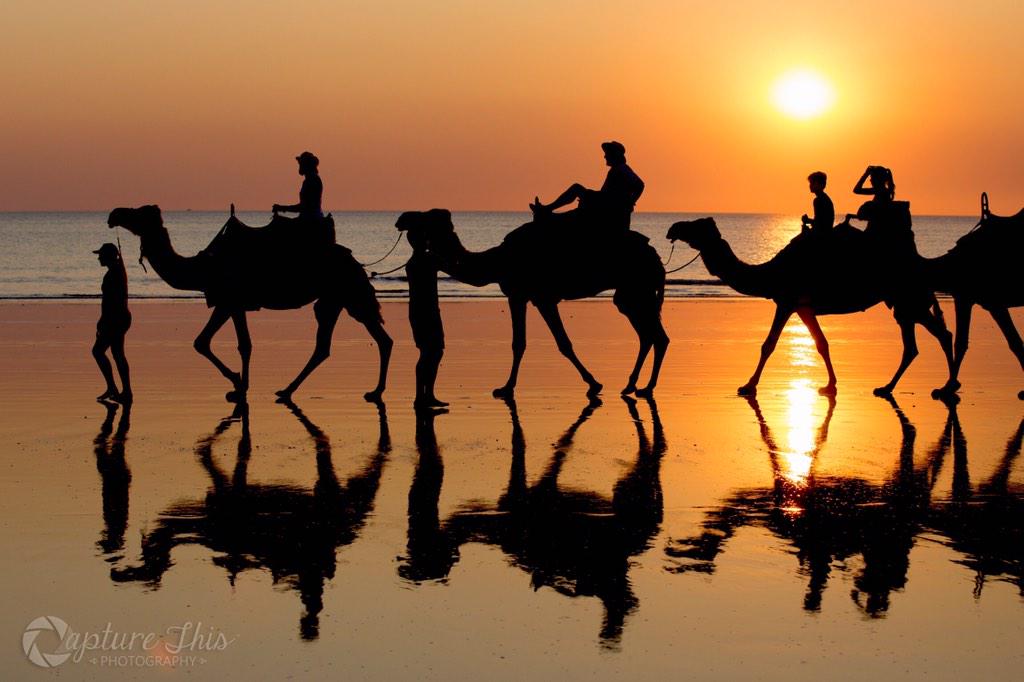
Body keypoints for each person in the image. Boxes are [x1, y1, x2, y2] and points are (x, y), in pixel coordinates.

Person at [530, 141, 644, 232]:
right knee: (578, 207)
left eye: (607, 153)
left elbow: (640, 185)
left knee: (576, 188)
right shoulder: (617, 169)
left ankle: (546, 211)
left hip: (607, 207)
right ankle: (546, 212)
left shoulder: (622, 169)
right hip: (605, 202)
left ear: (614, 155)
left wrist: (630, 202)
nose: (605, 156)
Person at [405, 228, 448, 411]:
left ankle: (424, 396)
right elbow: (452, 266)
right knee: (432, 353)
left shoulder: (413, 262)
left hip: (418, 311)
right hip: (427, 312)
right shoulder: (429, 259)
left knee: (429, 353)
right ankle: (423, 396)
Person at [92, 243, 132, 404]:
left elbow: (111, 302)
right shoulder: (117, 270)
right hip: (120, 318)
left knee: (98, 351)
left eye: (101, 255)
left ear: (108, 256)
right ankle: (123, 391)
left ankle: (115, 389)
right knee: (117, 354)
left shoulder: (114, 273)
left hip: (115, 319)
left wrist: (103, 321)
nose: (98, 258)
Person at [273, 151, 323, 220]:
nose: (299, 166)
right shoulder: (310, 180)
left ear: (306, 165)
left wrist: (282, 208)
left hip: (310, 220)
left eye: (301, 164)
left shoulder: (312, 181)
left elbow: (305, 207)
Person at [847, 165, 895, 234]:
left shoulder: (880, 191)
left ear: (877, 179)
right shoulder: (884, 192)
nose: (870, 180)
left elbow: (856, 190)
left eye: (872, 177)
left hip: (874, 232)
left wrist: (865, 175)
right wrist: (853, 216)